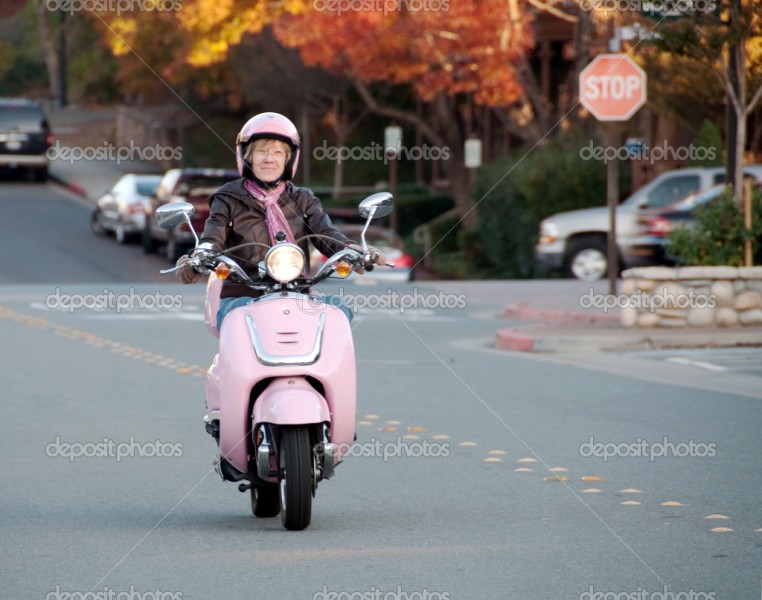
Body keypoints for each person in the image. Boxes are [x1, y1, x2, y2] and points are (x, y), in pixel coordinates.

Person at [175, 112, 385, 328]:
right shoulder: (227, 198)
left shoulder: (303, 199)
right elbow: (214, 234)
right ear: (247, 156)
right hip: (242, 294)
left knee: (338, 311)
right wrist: (202, 253)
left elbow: (325, 234)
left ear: (289, 159)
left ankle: (331, 364)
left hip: (298, 294)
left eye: (277, 152)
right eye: (261, 151)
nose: (269, 159)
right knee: (236, 321)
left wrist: (351, 249)